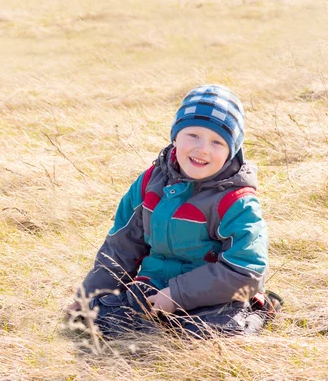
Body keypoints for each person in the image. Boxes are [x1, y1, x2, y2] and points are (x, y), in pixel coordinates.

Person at [67, 85, 280, 338]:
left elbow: (246, 271)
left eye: (217, 142)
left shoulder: (237, 201)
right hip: (155, 285)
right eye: (193, 135)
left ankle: (258, 311)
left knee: (203, 335)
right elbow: (121, 246)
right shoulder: (150, 183)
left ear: (231, 150)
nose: (203, 149)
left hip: (215, 294)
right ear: (175, 137)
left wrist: (176, 296)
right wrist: (89, 295)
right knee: (104, 321)